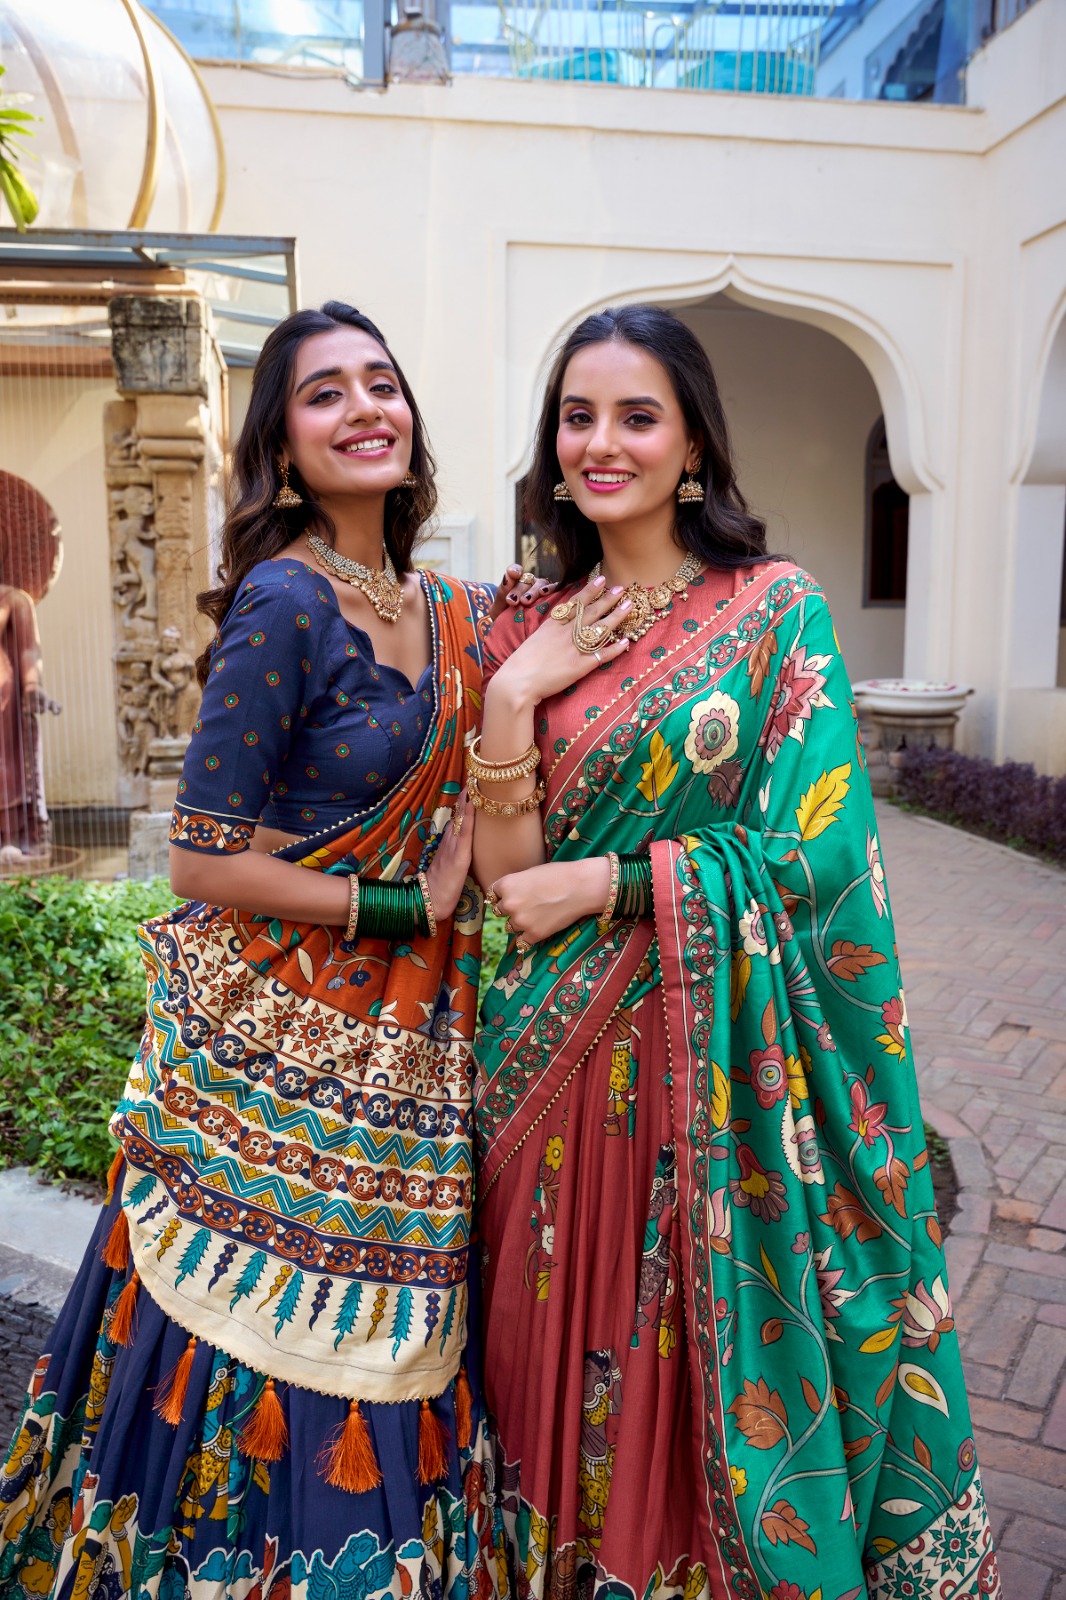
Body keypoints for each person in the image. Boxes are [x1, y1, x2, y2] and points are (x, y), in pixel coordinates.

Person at [0, 301, 545, 1600]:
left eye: (381, 383)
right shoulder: (286, 601)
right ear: (284, 448)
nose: (364, 408)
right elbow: (200, 859)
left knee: (395, 1330)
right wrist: (401, 909)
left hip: (411, 1057)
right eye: (324, 393)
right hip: (271, 1057)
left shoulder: (457, 608)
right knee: (260, 1333)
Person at [471, 304, 998, 1600]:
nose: (602, 443)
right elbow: (504, 881)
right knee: (545, 1381)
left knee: (685, 1379)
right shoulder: (527, 617)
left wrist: (616, 880)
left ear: (694, 443)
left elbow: (819, 853)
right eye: (577, 416)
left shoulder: (773, 612)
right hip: (541, 1081)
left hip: (704, 1079)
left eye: (636, 416)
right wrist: (511, 694)